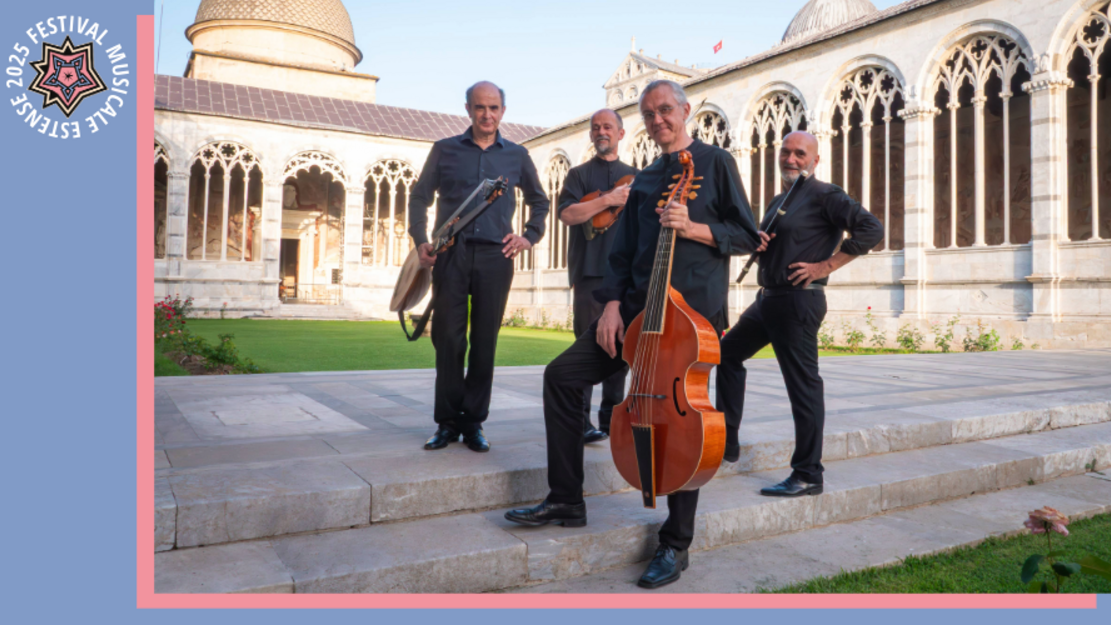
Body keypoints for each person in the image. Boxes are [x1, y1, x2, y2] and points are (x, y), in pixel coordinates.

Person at [504, 80, 767, 589]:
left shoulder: (715, 164)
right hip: (634, 317)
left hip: (688, 321)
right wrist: (608, 307)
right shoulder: (646, 179)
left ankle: (676, 542)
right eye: (648, 114)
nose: (658, 120)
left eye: (665, 110)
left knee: (685, 419)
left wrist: (695, 228)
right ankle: (566, 498)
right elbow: (621, 255)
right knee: (562, 377)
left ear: (685, 110)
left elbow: (747, 235)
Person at [720, 130, 883, 495]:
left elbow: (872, 229)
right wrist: (759, 241)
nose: (791, 159)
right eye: (786, 152)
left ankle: (808, 473)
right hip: (768, 300)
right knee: (726, 355)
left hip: (798, 301)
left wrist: (825, 266)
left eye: (800, 153)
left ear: (814, 160)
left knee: (803, 389)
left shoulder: (826, 194)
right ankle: (727, 442)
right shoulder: (782, 199)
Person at [408, 81, 549, 453]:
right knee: (449, 341)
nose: (487, 114)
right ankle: (447, 422)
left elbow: (540, 201)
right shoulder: (444, 150)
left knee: (485, 342)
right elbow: (419, 196)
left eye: (494, 108)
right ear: (468, 109)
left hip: (496, 258)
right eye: (480, 107)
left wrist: (529, 237)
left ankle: (474, 424)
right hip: (450, 255)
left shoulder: (516, 155)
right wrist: (421, 238)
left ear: (503, 111)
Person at [555, 108, 637, 443]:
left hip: (626, 277)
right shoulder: (578, 175)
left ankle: (612, 418)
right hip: (589, 274)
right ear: (591, 135)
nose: (601, 131)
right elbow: (568, 214)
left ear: (621, 132)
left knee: (620, 351)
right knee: (585, 348)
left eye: (608, 126)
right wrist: (609, 200)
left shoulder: (637, 175)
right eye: (596, 127)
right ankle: (582, 421)